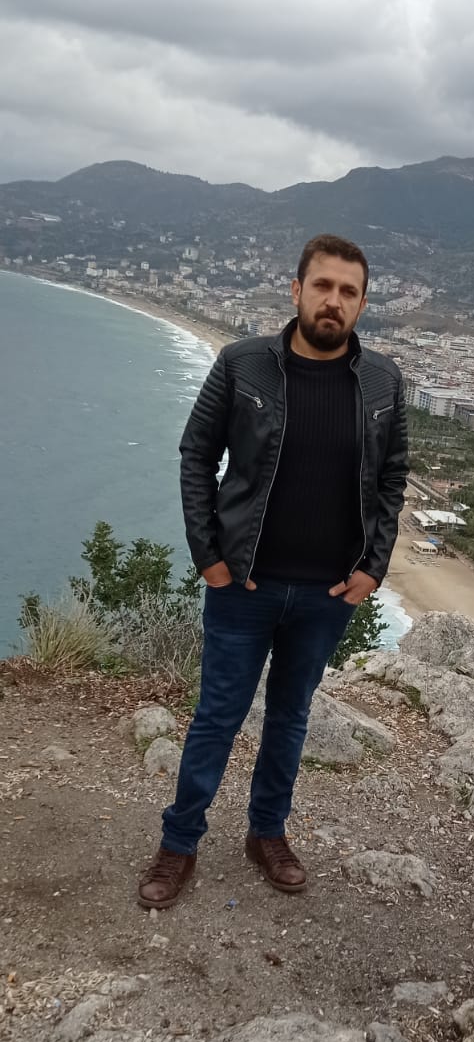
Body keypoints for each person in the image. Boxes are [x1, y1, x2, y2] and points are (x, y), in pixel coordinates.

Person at [137, 233, 408, 908]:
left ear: (362, 304)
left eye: (348, 291)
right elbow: (196, 456)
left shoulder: (383, 382)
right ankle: (179, 843)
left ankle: (267, 834)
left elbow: (392, 479)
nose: (333, 300)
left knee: (290, 719)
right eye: (323, 286)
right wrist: (209, 558)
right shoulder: (242, 364)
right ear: (296, 291)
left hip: (328, 594)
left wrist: (373, 569)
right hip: (244, 584)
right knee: (216, 718)